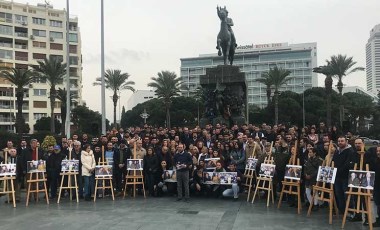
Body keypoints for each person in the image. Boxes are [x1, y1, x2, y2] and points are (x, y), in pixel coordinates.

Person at [333, 136, 354, 215]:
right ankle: (342, 210)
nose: (340, 142)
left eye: (342, 141)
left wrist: (338, 170)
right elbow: (334, 161)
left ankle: (350, 211)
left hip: (345, 176)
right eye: (339, 141)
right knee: (339, 194)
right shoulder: (337, 151)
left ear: (346, 142)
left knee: (347, 195)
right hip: (337, 177)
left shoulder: (350, 151)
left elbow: (347, 164)